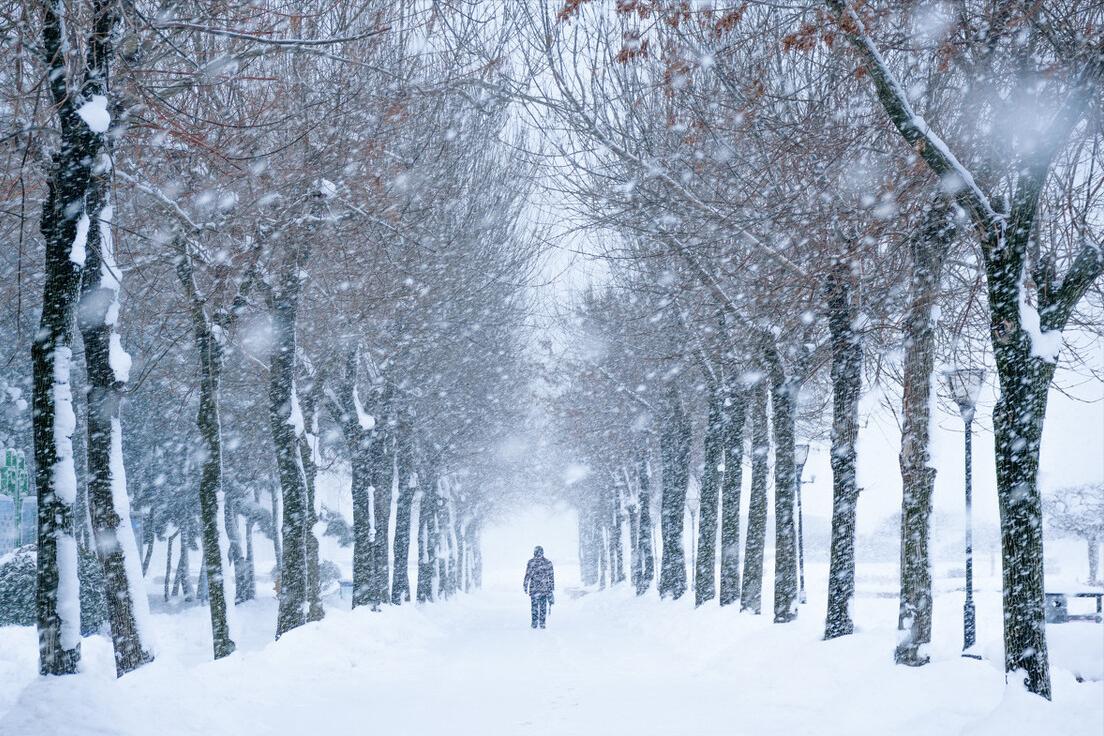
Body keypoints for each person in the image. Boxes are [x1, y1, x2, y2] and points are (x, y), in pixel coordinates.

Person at [523, 545, 555, 629]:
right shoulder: (548, 562)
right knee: (543, 607)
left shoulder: (531, 562)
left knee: (534, 607)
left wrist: (525, 585)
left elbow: (527, 575)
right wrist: (551, 588)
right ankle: (542, 623)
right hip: (544, 589)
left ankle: (534, 623)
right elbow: (551, 576)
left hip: (534, 589)